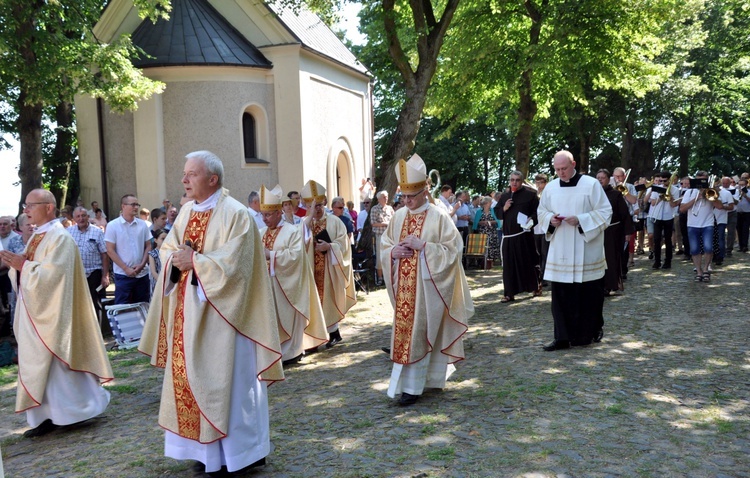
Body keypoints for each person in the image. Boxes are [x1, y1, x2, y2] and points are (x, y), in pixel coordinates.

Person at [139, 151, 283, 474]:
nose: (183, 180)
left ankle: (242, 455)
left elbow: (238, 268)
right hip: (189, 315)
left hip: (227, 320)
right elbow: (168, 250)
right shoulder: (187, 211)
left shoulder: (237, 215)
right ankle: (207, 455)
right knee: (193, 381)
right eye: (185, 173)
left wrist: (197, 263)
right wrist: (178, 260)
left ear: (212, 179)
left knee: (229, 387)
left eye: (191, 174)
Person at [0, 189, 112, 437]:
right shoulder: (38, 236)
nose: (25, 210)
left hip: (55, 315)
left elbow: (54, 277)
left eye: (30, 205)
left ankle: (74, 411)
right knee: (41, 365)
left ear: (49, 207)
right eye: (25, 205)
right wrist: (18, 266)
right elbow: (33, 269)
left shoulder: (59, 237)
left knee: (57, 365)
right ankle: (47, 415)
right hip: (37, 312)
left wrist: (23, 266)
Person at [380, 153, 473, 406]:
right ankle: (407, 385)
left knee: (422, 332)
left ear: (424, 191)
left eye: (412, 196)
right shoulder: (398, 217)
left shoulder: (438, 216)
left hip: (427, 289)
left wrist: (424, 247)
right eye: (404, 196)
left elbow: (454, 250)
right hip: (405, 291)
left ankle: (417, 386)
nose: (407, 201)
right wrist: (392, 253)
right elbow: (386, 245)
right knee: (406, 335)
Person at [537, 151, 612, 351]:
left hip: (586, 249)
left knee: (588, 295)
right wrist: (550, 220)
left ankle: (587, 334)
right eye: (557, 169)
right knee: (561, 297)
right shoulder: (551, 188)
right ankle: (561, 337)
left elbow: (606, 212)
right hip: (560, 248)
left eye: (564, 168)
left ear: (574, 164)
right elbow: (541, 212)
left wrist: (581, 220)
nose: (560, 173)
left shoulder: (591, 184)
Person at [259, 185, 327, 365]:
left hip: (288, 284)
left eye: (268, 215)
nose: (265, 219)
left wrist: (270, 255)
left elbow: (297, 256)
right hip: (267, 284)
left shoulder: (291, 231)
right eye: (262, 215)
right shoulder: (260, 234)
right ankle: (275, 353)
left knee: (290, 317)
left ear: (278, 212)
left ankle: (293, 351)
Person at [301, 180, 356, 348]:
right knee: (312, 300)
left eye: (319, 205)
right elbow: (297, 244)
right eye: (312, 205)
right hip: (311, 268)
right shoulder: (304, 223)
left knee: (329, 299)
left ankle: (333, 334)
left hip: (330, 268)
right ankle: (314, 338)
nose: (316, 208)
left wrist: (329, 247)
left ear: (324, 202)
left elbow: (344, 244)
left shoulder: (334, 221)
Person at [494, 171, 542, 302]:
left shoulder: (531, 195)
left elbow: (537, 213)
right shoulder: (504, 197)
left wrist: (530, 220)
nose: (514, 182)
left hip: (524, 236)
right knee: (509, 266)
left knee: (528, 262)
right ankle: (509, 293)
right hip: (509, 236)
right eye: (512, 180)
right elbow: (497, 212)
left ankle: (535, 286)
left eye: (517, 180)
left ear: (522, 181)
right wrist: (504, 208)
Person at [105, 195, 152, 305]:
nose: (136, 207)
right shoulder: (113, 225)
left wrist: (141, 265)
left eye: (137, 204)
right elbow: (110, 250)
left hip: (142, 274)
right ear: (123, 206)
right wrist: (126, 268)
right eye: (133, 204)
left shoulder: (142, 225)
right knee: (123, 308)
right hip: (123, 275)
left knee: (143, 307)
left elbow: (148, 246)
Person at [679, 171, 722, 281]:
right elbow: (682, 209)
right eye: (698, 180)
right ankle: (699, 271)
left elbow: (720, 206)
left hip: (708, 224)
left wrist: (709, 196)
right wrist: (696, 198)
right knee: (694, 250)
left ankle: (706, 269)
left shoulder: (712, 191)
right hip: (692, 224)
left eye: (703, 180)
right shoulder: (689, 192)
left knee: (708, 247)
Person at [67, 207, 110, 318]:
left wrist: (105, 276)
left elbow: (104, 254)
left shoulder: (97, 232)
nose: (81, 218)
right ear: (74, 218)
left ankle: (98, 332)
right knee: (77, 303)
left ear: (88, 217)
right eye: (78, 216)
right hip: (75, 273)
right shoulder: (68, 232)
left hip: (94, 272)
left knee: (95, 303)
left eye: (83, 215)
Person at [596, 170, 634, 295]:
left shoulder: (616, 194)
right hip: (596, 230)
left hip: (613, 230)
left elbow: (624, 214)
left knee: (610, 258)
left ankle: (609, 285)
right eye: (598, 178)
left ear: (608, 179)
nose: (600, 180)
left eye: (603, 177)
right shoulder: (592, 194)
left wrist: (628, 232)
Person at [648, 172, 680, 269]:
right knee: (657, 239)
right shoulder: (656, 188)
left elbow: (674, 204)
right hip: (657, 216)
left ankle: (668, 261)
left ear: (669, 180)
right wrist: (661, 196)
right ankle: (657, 261)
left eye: (664, 181)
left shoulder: (675, 189)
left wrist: (668, 194)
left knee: (668, 240)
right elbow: (652, 203)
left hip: (668, 216)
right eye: (661, 180)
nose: (662, 182)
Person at [369, 190, 394, 285]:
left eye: (386, 196)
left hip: (390, 236)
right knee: (380, 257)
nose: (386, 198)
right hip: (380, 236)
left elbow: (394, 220)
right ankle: (380, 278)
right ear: (379, 199)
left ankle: (390, 277)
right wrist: (384, 224)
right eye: (384, 197)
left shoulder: (390, 208)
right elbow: (373, 223)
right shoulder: (374, 209)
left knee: (391, 256)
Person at [472, 196, 501, 267]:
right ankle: (482, 262)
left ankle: (491, 262)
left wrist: (491, 222)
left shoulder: (493, 210)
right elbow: (476, 222)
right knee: (483, 246)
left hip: (492, 232)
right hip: (482, 232)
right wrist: (482, 222)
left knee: (492, 246)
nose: (491, 203)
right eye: (490, 202)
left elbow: (497, 220)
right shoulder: (479, 211)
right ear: (486, 203)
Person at [532, 174, 550, 282]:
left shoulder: (548, 194)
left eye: (541, 182)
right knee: (537, 253)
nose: (539, 185)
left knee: (545, 253)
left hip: (545, 229)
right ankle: (538, 276)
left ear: (545, 183)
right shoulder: (533, 195)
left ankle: (545, 277)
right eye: (537, 182)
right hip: (535, 228)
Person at [148, 228, 166, 295]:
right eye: (162, 239)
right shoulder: (153, 254)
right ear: (155, 240)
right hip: (157, 282)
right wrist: (161, 282)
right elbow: (153, 271)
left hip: (168, 283)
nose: (165, 241)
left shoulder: (170, 253)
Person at [735, 178, 750, 252]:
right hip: (738, 213)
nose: (741, 186)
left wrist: (745, 196)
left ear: (746, 185)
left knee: (745, 229)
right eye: (739, 185)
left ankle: (745, 246)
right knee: (739, 229)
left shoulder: (749, 192)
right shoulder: (736, 192)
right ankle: (741, 246)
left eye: (742, 185)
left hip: (747, 213)